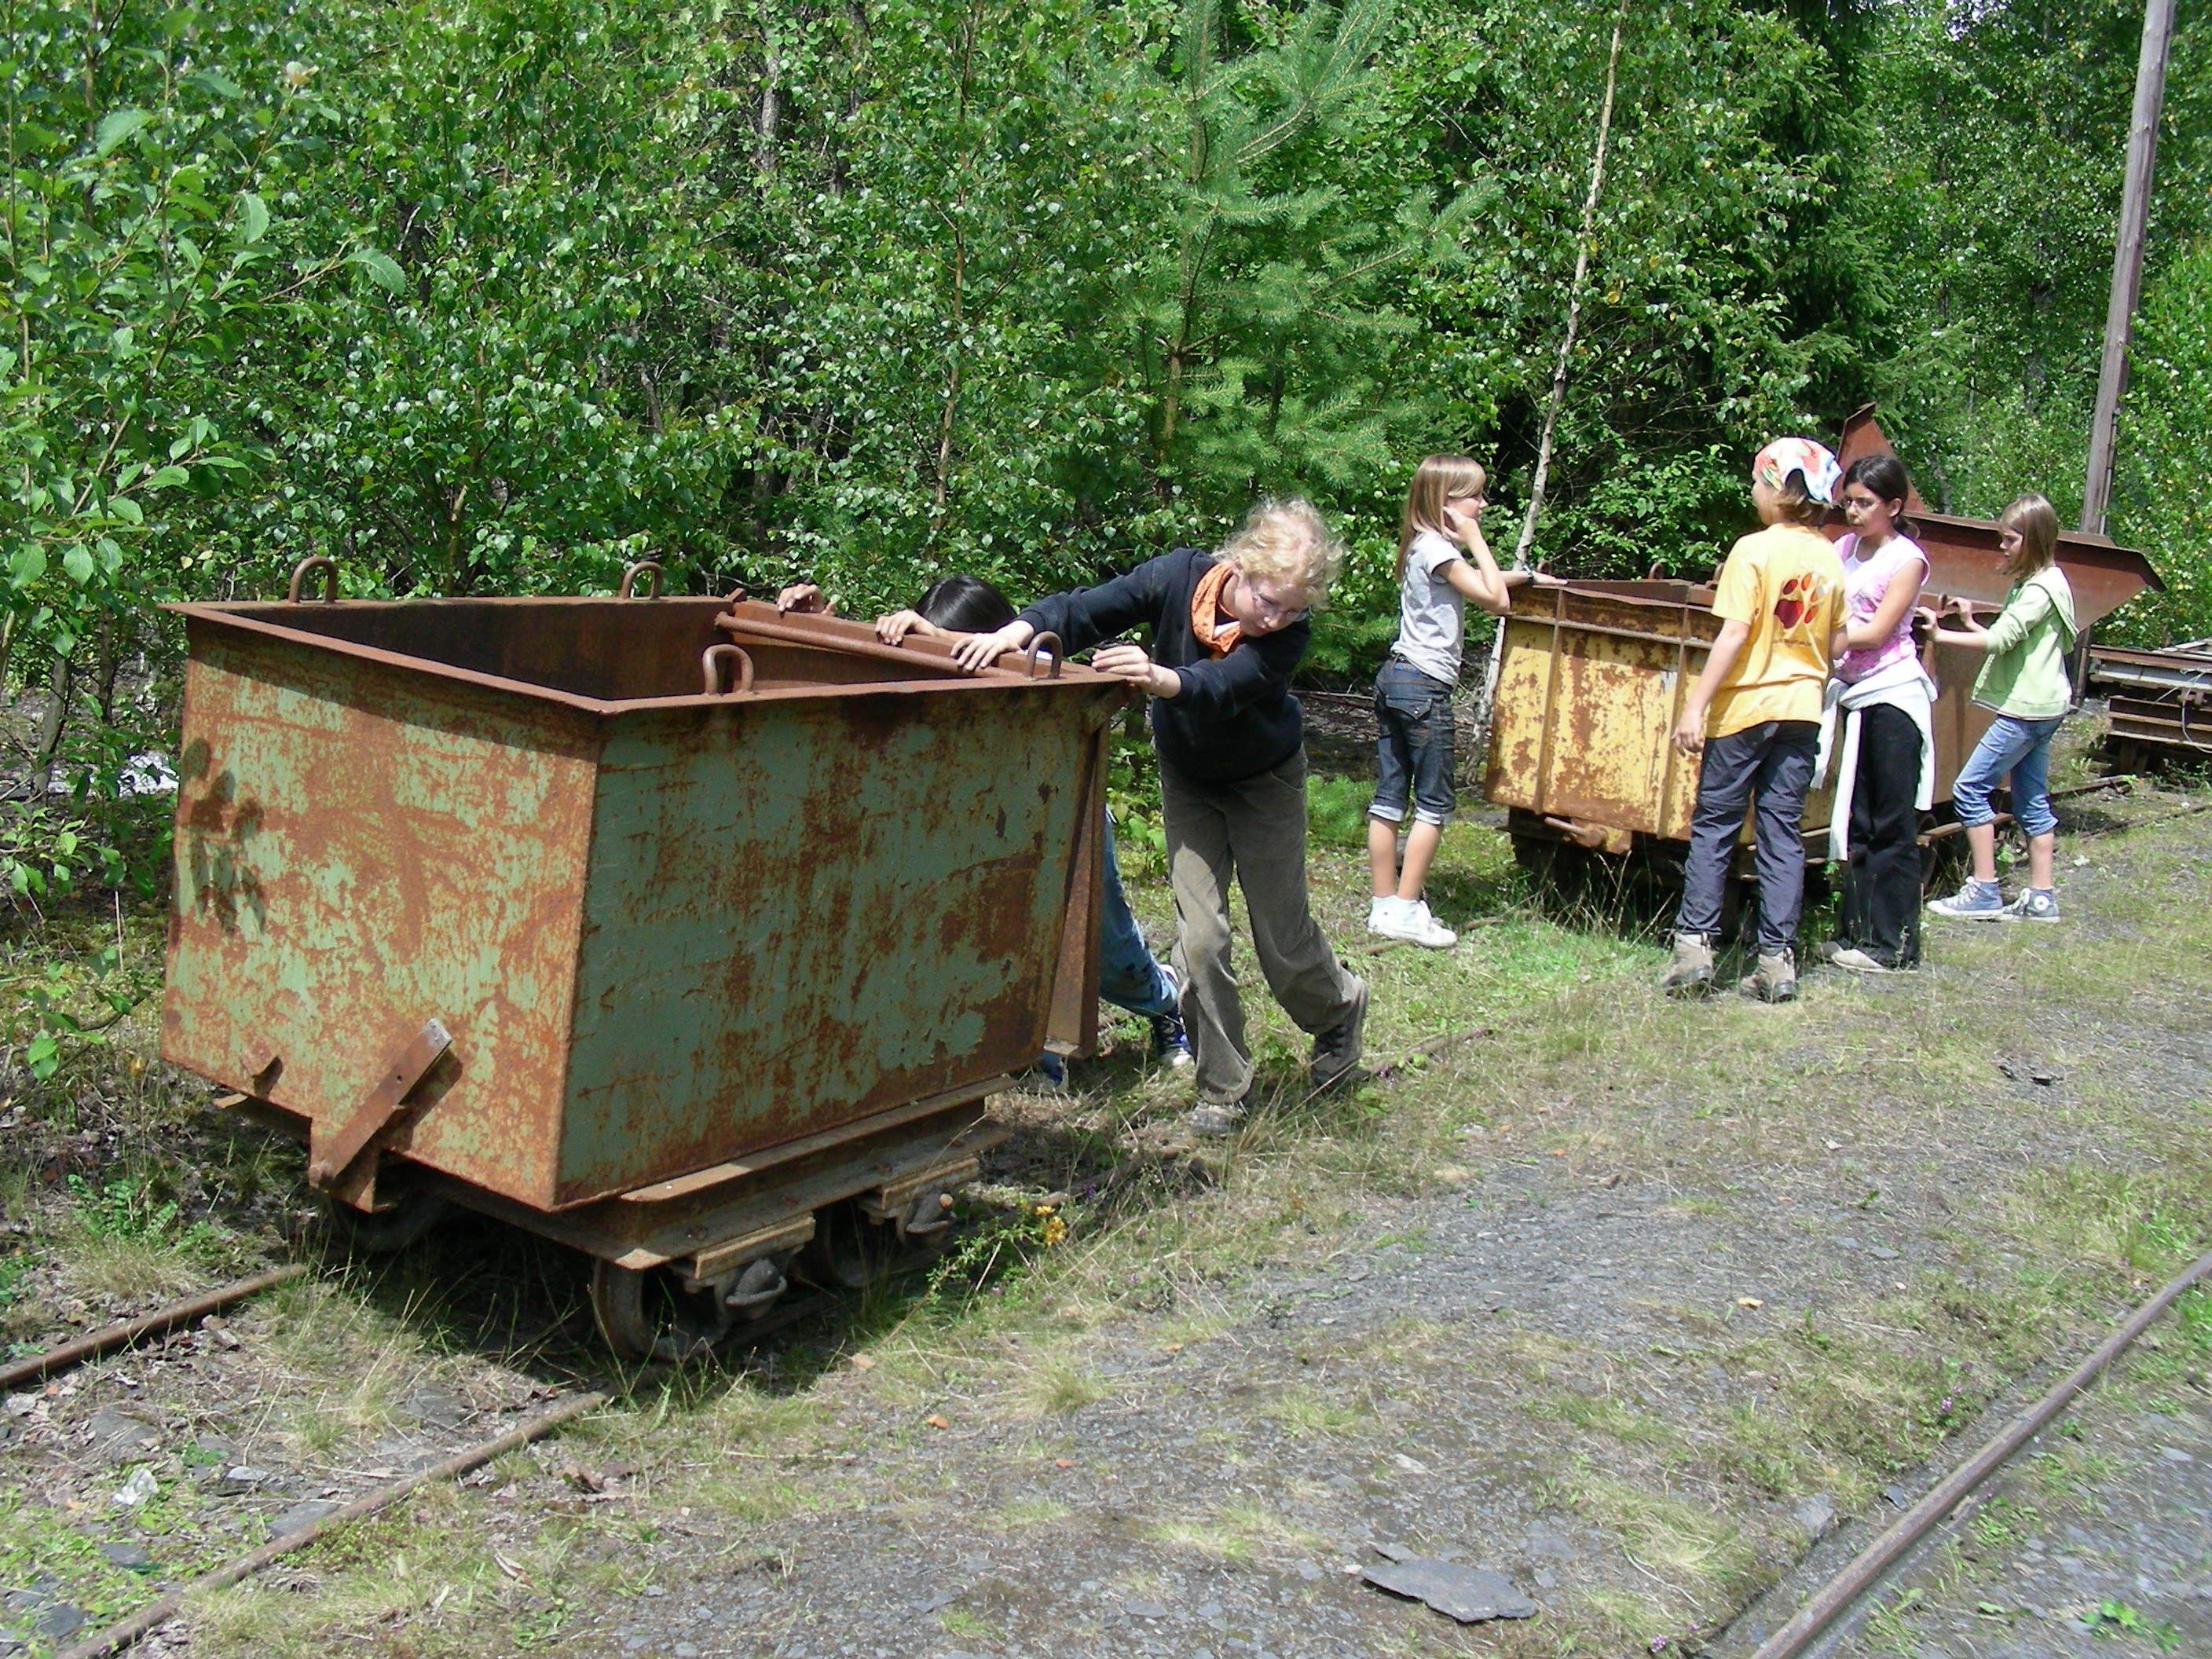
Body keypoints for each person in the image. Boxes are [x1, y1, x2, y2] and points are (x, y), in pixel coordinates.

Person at [952, 500, 1367, 1137]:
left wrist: (1158, 676)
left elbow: (1224, 687)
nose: (1275, 619)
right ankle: (1223, 1088)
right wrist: (1017, 631)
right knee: (1200, 939)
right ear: (1239, 565)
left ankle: (1338, 1012)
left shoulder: (1286, 636)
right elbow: (1085, 609)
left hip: (1265, 782)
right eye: (1267, 601)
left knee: (1281, 937)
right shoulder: (1175, 577)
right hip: (1191, 780)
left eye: (1291, 609)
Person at [774, 575, 1192, 1071]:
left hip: (1061, 809)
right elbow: (858, 680)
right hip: (973, 820)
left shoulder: (1035, 677)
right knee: (994, 937)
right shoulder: (923, 674)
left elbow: (1064, 694)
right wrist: (816, 623)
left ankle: (1164, 1001)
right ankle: (1034, 1052)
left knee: (1101, 942)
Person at [1662, 438, 1847, 1003]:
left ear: (1778, 489)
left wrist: (1695, 705)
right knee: (1781, 833)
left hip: (1744, 709)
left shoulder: (1753, 550)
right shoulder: (1829, 557)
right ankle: (1776, 961)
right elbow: (1837, 642)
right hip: (1801, 711)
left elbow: (1735, 632)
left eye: (1756, 483)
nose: (1752, 493)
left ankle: (1695, 951)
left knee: (1715, 826)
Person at [1365, 456, 1553, 949]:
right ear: (1446, 502)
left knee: (1389, 797)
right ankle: (1407, 909)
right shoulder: (1441, 548)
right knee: (1433, 803)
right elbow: (1496, 601)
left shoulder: (1423, 546)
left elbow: (1485, 582)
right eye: (1475, 496)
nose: (1483, 504)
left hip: (1397, 678)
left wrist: (1530, 578)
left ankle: (1384, 905)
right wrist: (1474, 537)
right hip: (1425, 687)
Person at [1925, 493, 2075, 923]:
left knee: (1969, 790)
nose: (2003, 547)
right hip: (2046, 707)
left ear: (2034, 539)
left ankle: (1984, 889)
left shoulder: (2038, 589)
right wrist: (1970, 622)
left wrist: (1940, 635)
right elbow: (2020, 640)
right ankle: (2041, 898)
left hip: (2026, 711)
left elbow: (2001, 640)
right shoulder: (2050, 582)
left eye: (2010, 539)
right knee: (2031, 801)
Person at [1813, 453, 1936, 973]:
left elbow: (1878, 630)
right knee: (1857, 821)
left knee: (1890, 823)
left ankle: (1893, 944)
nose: (1854, 512)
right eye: (1849, 502)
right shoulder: (1842, 548)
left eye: (1865, 503)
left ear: (1894, 506)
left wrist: (1814, 641)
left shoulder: (1907, 560)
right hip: (1853, 695)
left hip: (1892, 697)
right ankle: (1856, 933)